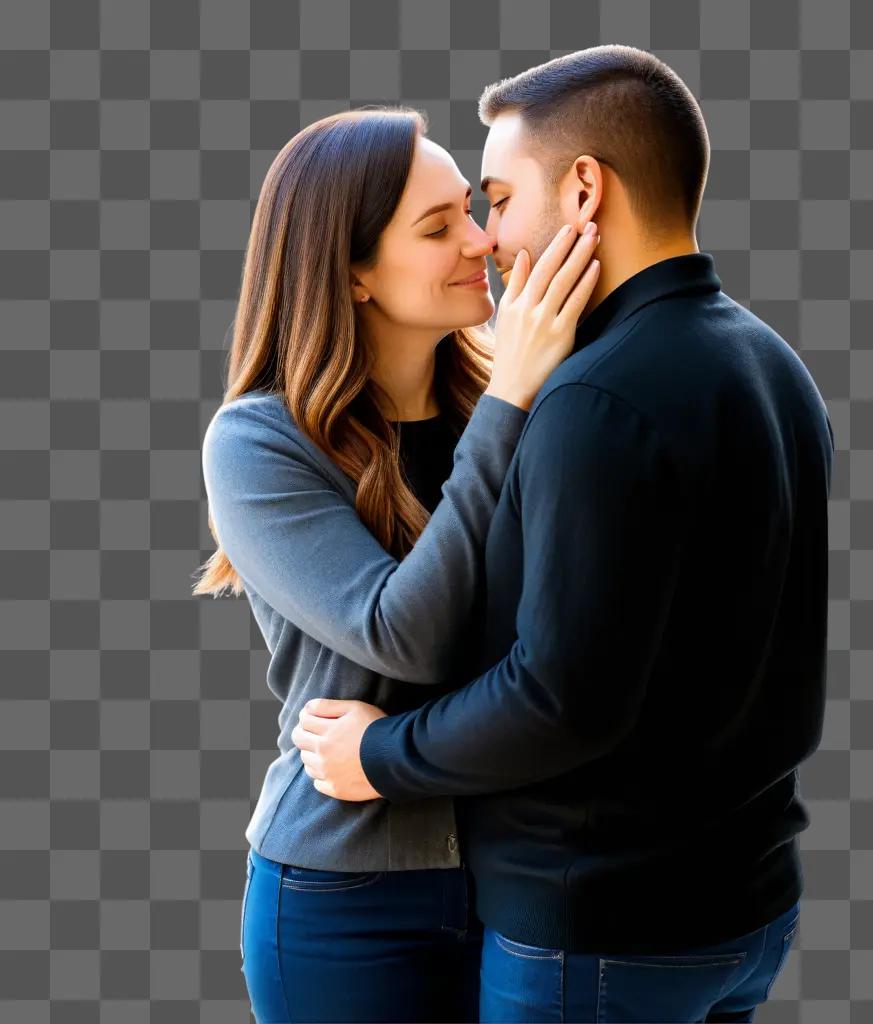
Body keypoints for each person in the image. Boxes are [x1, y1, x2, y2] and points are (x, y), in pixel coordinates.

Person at [293, 44, 835, 1023]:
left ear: (584, 188)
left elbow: (559, 697)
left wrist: (380, 756)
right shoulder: (771, 361)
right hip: (747, 911)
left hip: (603, 934)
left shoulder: (595, 395)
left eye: (497, 199)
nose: (489, 239)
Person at [194, 105, 600, 1023]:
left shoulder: (510, 400)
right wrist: (511, 400)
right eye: (437, 227)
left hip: (518, 876)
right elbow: (402, 634)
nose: (483, 239)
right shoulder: (259, 442)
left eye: (471, 208)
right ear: (353, 273)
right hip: (343, 897)